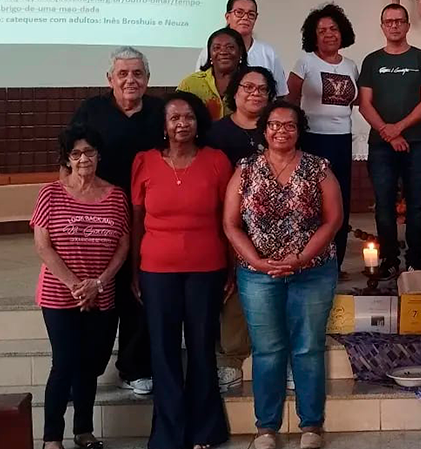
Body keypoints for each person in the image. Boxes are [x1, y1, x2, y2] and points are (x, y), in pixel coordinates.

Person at [223, 101, 343, 449]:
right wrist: (258, 263)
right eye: (274, 125)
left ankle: (311, 426)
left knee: (307, 348)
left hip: (313, 271)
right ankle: (266, 428)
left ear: (298, 130)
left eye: (289, 125)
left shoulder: (318, 167)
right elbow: (230, 224)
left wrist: (301, 257)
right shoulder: (245, 169)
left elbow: (333, 220)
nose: (281, 131)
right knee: (268, 350)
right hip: (258, 274)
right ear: (264, 130)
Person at [130, 91, 233, 449]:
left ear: (198, 122)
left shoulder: (217, 161)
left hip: (207, 266)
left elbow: (228, 220)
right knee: (164, 350)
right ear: (163, 125)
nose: (181, 124)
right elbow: (137, 221)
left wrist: (231, 269)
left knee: (202, 348)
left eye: (188, 117)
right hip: (156, 269)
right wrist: (134, 271)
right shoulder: (144, 162)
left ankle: (205, 430)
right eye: (174, 118)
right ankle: (168, 434)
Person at [69, 46, 162, 396]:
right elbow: (69, 158)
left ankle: (134, 366)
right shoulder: (91, 111)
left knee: (137, 292)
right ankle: (90, 367)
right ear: (110, 79)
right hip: (99, 215)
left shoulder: (159, 112)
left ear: (148, 79)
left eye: (137, 73)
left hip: (149, 217)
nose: (130, 80)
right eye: (122, 74)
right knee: (102, 290)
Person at [32, 124, 130, 449]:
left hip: (102, 295)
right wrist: (76, 285)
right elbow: (43, 246)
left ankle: (84, 431)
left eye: (89, 152)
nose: (83, 158)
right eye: (76, 153)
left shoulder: (116, 196)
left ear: (99, 155)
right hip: (60, 295)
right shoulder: (51, 193)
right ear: (67, 159)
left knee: (90, 365)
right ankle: (51, 438)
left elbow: (123, 245)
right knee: (64, 364)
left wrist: (98, 284)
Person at [206, 65, 277, 394]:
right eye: (248, 87)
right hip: (228, 222)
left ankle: (277, 356)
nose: (255, 94)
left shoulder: (276, 129)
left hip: (275, 226)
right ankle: (231, 360)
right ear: (234, 93)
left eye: (262, 89)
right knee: (231, 289)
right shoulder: (216, 134)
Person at [359, 3, 421, 277]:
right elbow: (364, 104)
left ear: (407, 25)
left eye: (399, 21)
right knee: (384, 203)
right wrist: (388, 133)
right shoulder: (372, 61)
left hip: (415, 142)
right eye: (389, 21)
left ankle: (415, 260)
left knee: (417, 203)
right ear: (382, 26)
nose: (394, 25)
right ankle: (389, 259)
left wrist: (398, 129)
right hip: (381, 145)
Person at [287, 3, 359, 272]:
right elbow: (291, 103)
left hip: (341, 141)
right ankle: (309, 259)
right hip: (312, 140)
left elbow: (350, 106)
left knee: (339, 201)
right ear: (313, 35)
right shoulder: (304, 63)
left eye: (334, 29)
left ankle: (335, 262)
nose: (329, 34)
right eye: (322, 30)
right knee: (311, 202)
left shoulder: (351, 66)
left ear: (343, 33)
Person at [195, 0, 288, 96]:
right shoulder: (212, 51)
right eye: (239, 12)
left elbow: (280, 93)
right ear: (227, 17)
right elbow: (199, 85)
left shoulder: (268, 52)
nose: (245, 17)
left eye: (251, 14)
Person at [180, 27, 248, 120]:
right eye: (217, 48)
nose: (223, 52)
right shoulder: (190, 84)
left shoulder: (251, 83)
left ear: (240, 52)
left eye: (230, 47)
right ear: (210, 54)